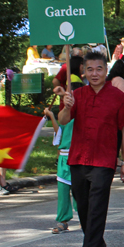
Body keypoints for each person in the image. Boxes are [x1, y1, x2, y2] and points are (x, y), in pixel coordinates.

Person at [58, 51, 124, 247]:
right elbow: (63, 121)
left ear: (106, 70)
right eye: (89, 69)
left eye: (98, 69)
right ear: (84, 71)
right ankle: (96, 240)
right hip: (78, 157)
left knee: (97, 206)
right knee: (83, 206)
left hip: (104, 159)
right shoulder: (77, 94)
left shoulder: (118, 97)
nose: (94, 73)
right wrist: (67, 105)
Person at [44, 84, 82, 234]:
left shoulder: (81, 114)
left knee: (80, 190)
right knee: (63, 189)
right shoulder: (65, 113)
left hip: (78, 156)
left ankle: (85, 217)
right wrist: (52, 116)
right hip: (64, 157)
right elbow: (59, 132)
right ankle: (63, 220)